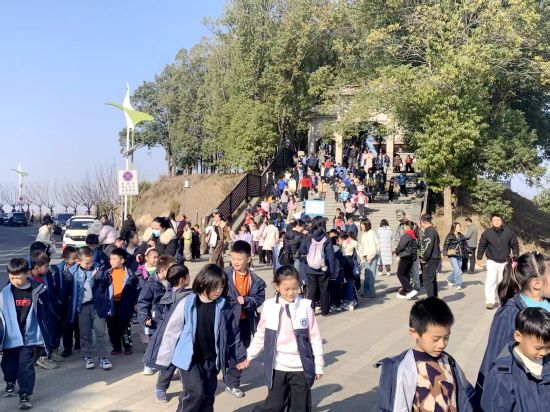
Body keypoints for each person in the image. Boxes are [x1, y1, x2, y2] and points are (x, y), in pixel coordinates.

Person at [146, 264, 247, 412]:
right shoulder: (187, 302)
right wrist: (162, 358)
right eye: (215, 287)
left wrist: (240, 356)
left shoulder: (224, 307)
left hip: (211, 359)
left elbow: (233, 333)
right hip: (189, 359)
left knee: (208, 394)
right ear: (202, 283)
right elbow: (170, 331)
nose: (218, 291)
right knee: (195, 392)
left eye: (221, 287)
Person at [241, 266, 324, 411]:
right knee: (275, 406)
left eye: (295, 288)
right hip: (278, 366)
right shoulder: (269, 307)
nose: (291, 293)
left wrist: (318, 365)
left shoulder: (305, 307)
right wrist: (249, 356)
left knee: (300, 407)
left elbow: (315, 338)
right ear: (277, 286)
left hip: (301, 367)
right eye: (287, 289)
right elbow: (261, 334)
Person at [376, 297, 475, 411]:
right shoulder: (406, 368)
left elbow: (465, 396)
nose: (442, 344)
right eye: (435, 339)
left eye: (446, 337)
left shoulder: (449, 361)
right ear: (414, 333)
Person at [475, 251, 549, 402]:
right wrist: (483, 396)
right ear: (537, 283)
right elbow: (493, 357)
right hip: (526, 394)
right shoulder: (510, 313)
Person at [1, 258, 54, 410]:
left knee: (26, 367)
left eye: (18, 277)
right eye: (12, 277)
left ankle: (25, 394)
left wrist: (45, 334)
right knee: (8, 365)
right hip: (10, 337)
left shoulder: (39, 290)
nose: (15, 281)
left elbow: (45, 312)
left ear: (27, 273)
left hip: (28, 337)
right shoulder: (5, 292)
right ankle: (10, 380)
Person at [481, 307, 550, 411]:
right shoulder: (502, 375)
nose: (544, 353)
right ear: (518, 336)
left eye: (549, 347)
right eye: (538, 348)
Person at [224, 241, 267, 398]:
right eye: (233, 258)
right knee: (225, 350)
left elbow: (259, 299)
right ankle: (227, 375)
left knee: (241, 352)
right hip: (226, 321)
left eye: (239, 259)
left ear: (248, 259)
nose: (235, 262)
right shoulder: (224, 275)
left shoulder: (255, 280)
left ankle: (233, 383)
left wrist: (247, 300)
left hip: (244, 322)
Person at [69, 247, 112, 370]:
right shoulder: (73, 272)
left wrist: (99, 276)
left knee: (100, 332)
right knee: (85, 334)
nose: (90, 265)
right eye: (86, 263)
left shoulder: (99, 268)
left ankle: (103, 358)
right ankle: (87, 357)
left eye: (91, 262)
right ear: (78, 261)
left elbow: (108, 281)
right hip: (82, 307)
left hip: (97, 306)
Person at [137, 254, 175, 375]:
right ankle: (149, 364)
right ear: (163, 271)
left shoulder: (172, 282)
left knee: (166, 342)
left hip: (168, 316)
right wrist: (145, 318)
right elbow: (142, 303)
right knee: (154, 342)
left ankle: (165, 364)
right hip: (154, 318)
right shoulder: (150, 285)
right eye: (171, 270)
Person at [477, 213, 520, 309]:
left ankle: (502, 300)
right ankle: (490, 301)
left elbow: (514, 244)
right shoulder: (487, 233)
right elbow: (482, 245)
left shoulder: (509, 232)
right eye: (494, 220)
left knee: (503, 282)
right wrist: (479, 258)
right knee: (491, 280)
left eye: (498, 220)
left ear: (502, 221)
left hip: (505, 262)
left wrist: (516, 257)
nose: (496, 222)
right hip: (492, 261)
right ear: (491, 222)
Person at [105, 248, 139, 356]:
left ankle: (127, 346)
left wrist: (134, 303)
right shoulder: (107, 273)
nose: (111, 261)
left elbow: (135, 291)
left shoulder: (130, 274)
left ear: (122, 260)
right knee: (112, 327)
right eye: (110, 259)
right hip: (111, 304)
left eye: (114, 259)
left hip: (124, 304)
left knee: (124, 326)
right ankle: (116, 347)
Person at [299, 216, 336, 317]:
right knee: (324, 290)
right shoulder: (327, 239)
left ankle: (311, 311)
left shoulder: (308, 237)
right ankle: (325, 311)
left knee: (311, 290)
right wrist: (332, 270)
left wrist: (308, 257)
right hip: (323, 268)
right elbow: (330, 256)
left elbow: (302, 250)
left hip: (310, 268)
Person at [52, 246, 79, 358]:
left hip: (76, 301)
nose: (76, 260)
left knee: (77, 325)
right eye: (74, 258)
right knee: (66, 327)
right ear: (65, 259)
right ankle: (67, 348)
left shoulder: (79, 268)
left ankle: (78, 342)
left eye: (77, 257)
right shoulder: (58, 270)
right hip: (63, 303)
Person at [394, 221, 419, 300]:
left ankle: (409, 290)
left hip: (405, 256)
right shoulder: (414, 235)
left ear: (407, 226)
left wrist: (396, 251)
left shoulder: (407, 235)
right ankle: (404, 293)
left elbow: (401, 246)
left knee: (400, 274)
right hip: (411, 257)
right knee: (406, 274)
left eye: (404, 226)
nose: (403, 228)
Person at [419, 214, 441, 298]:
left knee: (427, 279)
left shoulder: (429, 231)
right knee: (432, 279)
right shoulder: (432, 230)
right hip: (433, 257)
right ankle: (434, 298)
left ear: (422, 221)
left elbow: (428, 245)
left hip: (431, 258)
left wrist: (424, 258)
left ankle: (431, 299)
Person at [358, 218, 380, 298]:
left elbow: (372, 246)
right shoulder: (365, 233)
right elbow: (363, 246)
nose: (361, 225)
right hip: (367, 256)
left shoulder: (371, 233)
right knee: (367, 274)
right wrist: (362, 256)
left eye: (362, 224)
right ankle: (367, 291)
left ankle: (370, 292)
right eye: (361, 224)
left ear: (366, 225)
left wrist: (370, 257)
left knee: (370, 275)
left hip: (371, 256)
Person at [443, 222, 468, 291]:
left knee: (457, 270)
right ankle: (458, 284)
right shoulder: (450, 235)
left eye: (460, 226)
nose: (460, 228)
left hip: (460, 254)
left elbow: (465, 244)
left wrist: (469, 251)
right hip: (452, 255)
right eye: (458, 227)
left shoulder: (461, 235)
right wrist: (445, 253)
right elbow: (446, 244)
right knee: (457, 270)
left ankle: (449, 279)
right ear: (454, 228)